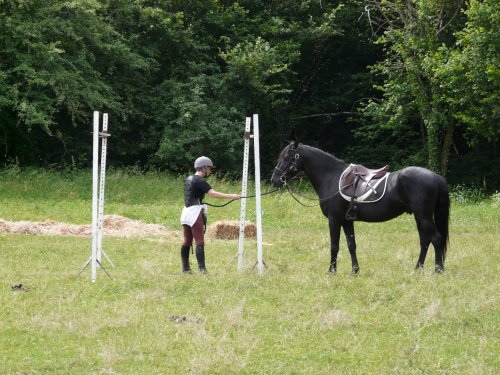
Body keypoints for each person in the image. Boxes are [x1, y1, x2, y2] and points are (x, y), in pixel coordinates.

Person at [180, 156, 240, 273]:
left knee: (187, 241)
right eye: (209, 168)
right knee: (199, 242)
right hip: (195, 213)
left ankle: (185, 268)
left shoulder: (189, 178)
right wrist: (231, 196)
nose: (210, 171)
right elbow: (214, 194)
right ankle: (202, 270)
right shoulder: (200, 180)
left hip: (186, 212)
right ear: (203, 168)